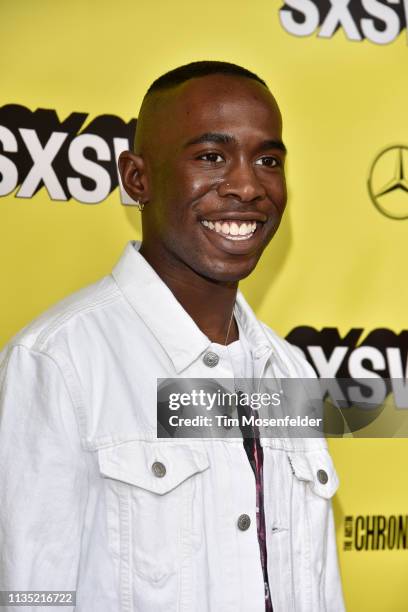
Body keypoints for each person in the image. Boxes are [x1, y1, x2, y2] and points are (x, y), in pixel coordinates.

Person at [0, 61, 345, 611]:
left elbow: (315, 580)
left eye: (268, 160)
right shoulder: (58, 363)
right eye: (211, 157)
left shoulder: (289, 369)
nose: (247, 185)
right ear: (138, 178)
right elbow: (28, 592)